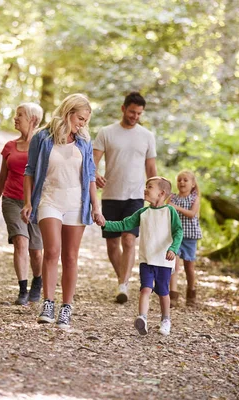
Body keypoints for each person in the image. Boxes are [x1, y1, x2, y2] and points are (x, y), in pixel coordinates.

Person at [21, 93, 104, 329]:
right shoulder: (42, 138)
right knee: (52, 250)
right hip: (49, 199)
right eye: (80, 118)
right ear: (68, 113)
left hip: (76, 203)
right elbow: (29, 172)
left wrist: (96, 208)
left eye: (85, 121)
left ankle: (66, 307)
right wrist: (28, 203)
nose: (82, 124)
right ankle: (48, 303)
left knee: (70, 257)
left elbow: (89, 176)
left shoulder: (84, 142)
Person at [93, 92, 157, 304]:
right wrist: (95, 175)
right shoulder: (106, 132)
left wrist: (155, 194)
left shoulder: (147, 136)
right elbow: (93, 161)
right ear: (123, 109)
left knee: (129, 239)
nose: (135, 116)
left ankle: (123, 284)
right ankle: (123, 278)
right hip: (111, 195)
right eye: (132, 112)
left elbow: (151, 168)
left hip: (135, 196)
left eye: (139, 113)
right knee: (112, 244)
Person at [100, 176, 182, 336]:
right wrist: (105, 224)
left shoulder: (169, 211)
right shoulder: (143, 213)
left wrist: (173, 248)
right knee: (145, 289)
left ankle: (166, 319)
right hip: (147, 260)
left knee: (163, 292)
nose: (145, 189)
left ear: (161, 193)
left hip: (164, 261)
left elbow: (178, 231)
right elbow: (124, 224)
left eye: (150, 187)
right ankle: (142, 318)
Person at [0, 103, 44, 305]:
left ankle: (38, 281)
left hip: (36, 203)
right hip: (11, 201)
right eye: (16, 114)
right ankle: (22, 289)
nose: (15, 118)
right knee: (20, 241)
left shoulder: (43, 145)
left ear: (33, 119)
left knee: (36, 251)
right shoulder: (10, 146)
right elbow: (2, 178)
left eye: (20, 115)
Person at [168, 170, 202, 307]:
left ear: (193, 184)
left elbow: (192, 214)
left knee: (189, 267)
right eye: (179, 180)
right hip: (175, 237)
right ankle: (173, 295)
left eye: (185, 180)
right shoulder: (172, 198)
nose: (182, 182)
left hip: (190, 237)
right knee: (174, 266)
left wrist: (176, 208)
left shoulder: (195, 198)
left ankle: (191, 293)